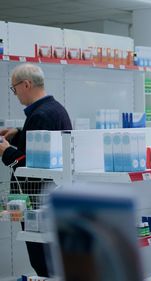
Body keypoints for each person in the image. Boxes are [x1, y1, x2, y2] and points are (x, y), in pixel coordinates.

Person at [0, 63, 72, 277]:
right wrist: (19, 133)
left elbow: (28, 162)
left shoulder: (41, 115)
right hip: (50, 198)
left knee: (42, 261)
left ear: (27, 84)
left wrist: (5, 152)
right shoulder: (54, 109)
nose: (15, 94)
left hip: (37, 201)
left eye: (14, 89)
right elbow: (44, 149)